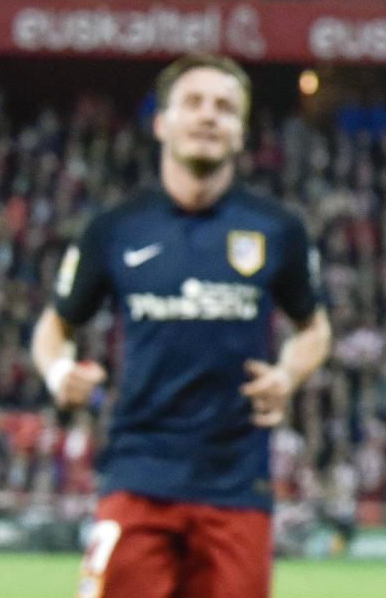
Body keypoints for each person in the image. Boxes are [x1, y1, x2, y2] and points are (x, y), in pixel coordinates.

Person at [31, 54, 331, 598]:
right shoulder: (113, 230)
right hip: (138, 479)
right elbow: (54, 326)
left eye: (225, 108)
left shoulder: (277, 230)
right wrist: (57, 373)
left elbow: (314, 328)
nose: (208, 116)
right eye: (193, 103)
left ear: (241, 133)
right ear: (161, 123)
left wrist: (287, 375)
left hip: (238, 485)